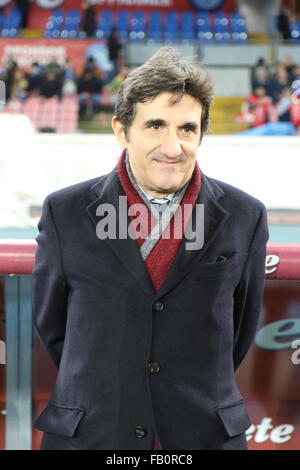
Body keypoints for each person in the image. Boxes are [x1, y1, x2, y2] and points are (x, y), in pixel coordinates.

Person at [32, 47, 269, 450]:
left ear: (201, 134)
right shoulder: (65, 212)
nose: (173, 147)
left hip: (203, 435)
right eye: (156, 125)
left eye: (187, 129)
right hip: (92, 433)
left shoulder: (246, 216)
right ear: (122, 131)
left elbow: (241, 329)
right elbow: (53, 325)